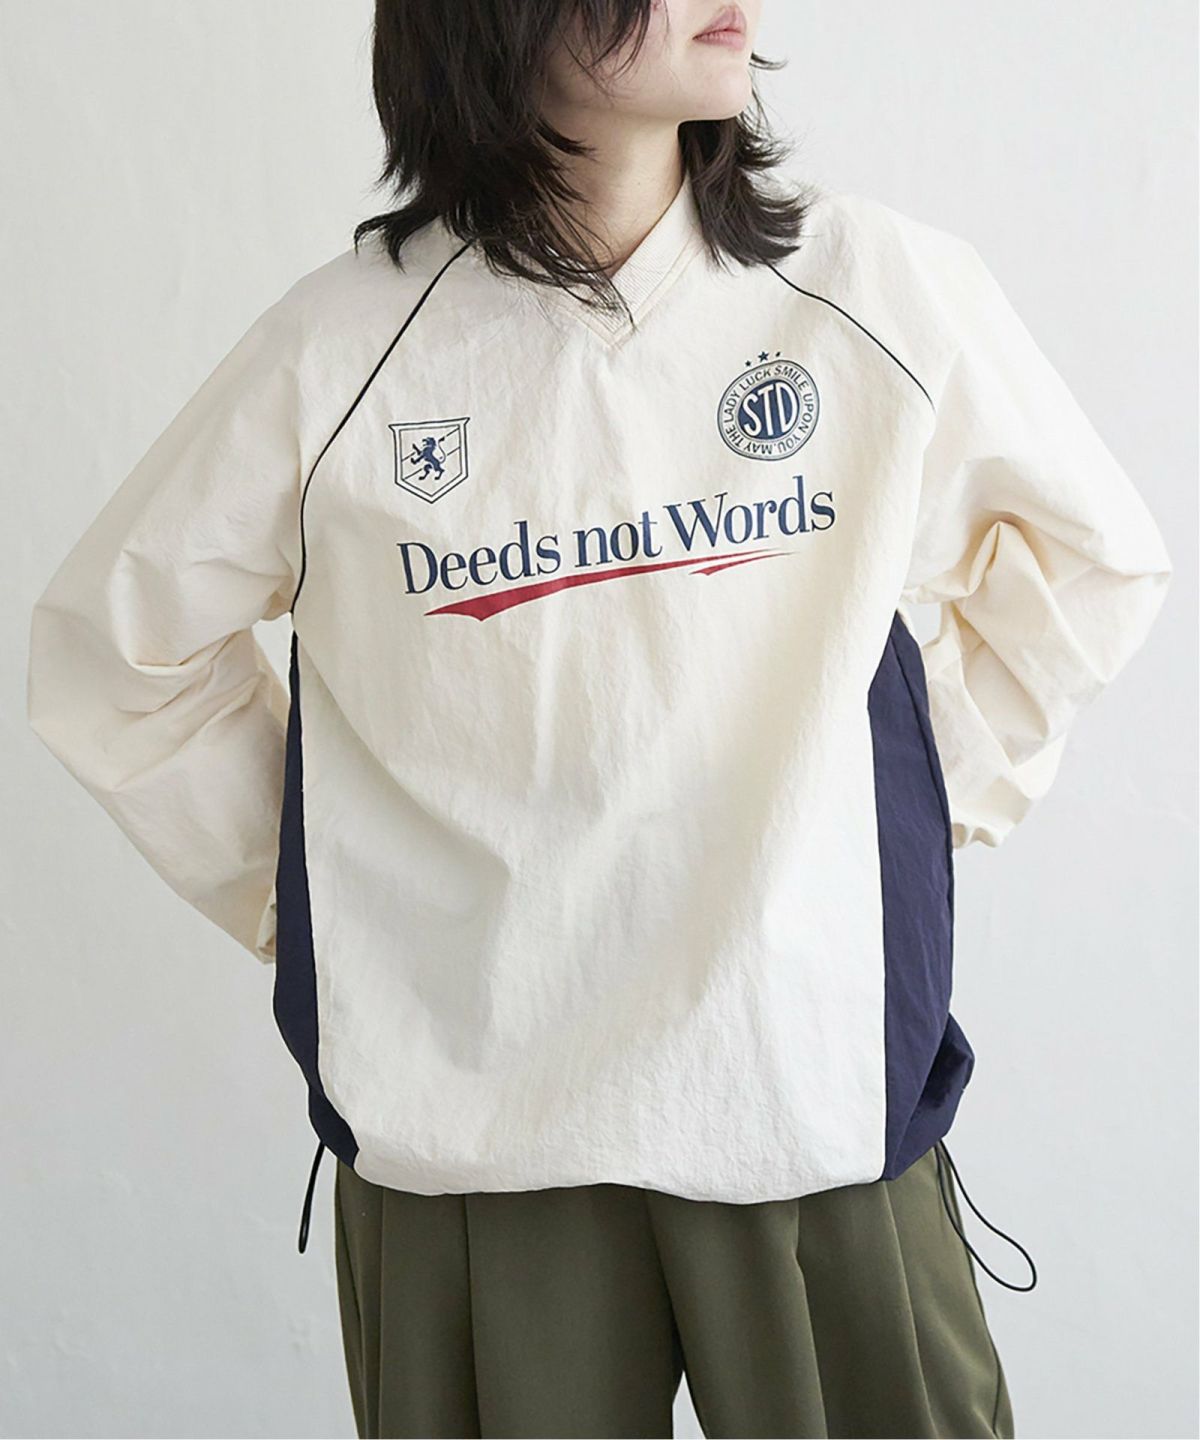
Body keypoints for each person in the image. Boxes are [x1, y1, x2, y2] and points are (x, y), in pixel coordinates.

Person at [26, 1, 1173, 1437]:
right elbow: (115, 656)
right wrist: (333, 902)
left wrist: (903, 814)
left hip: (809, 1093)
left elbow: (1089, 563)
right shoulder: (343, 349)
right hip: (481, 1127)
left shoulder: (870, 286)